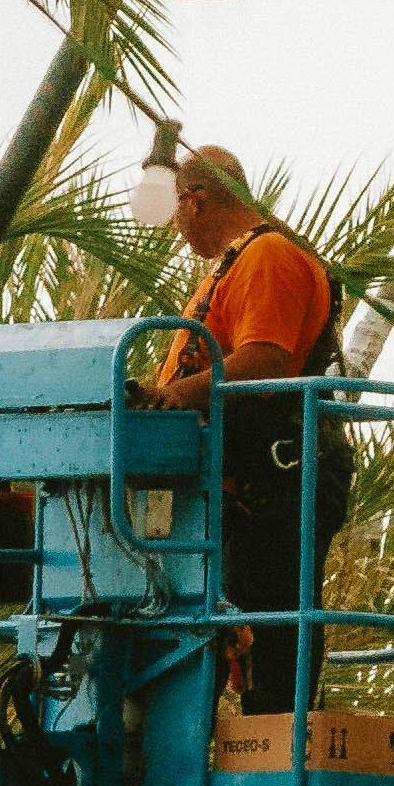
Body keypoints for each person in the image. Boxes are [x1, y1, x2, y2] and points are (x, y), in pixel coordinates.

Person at [148, 146, 353, 715]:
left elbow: (264, 358)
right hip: (250, 473)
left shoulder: (267, 256)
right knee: (234, 615)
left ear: (195, 201)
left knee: (271, 618)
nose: (177, 228)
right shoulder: (237, 263)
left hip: (283, 470)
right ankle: (253, 739)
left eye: (176, 211)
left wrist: (174, 396)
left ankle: (275, 741)